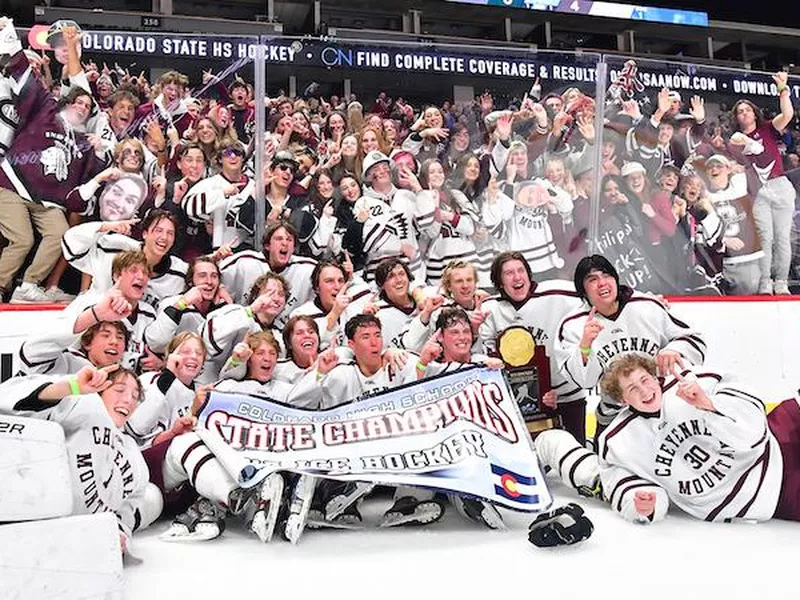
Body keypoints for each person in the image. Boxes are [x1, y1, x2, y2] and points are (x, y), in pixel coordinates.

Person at [596, 354, 800, 524]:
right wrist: (642, 506)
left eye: (645, 380)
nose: (644, 390)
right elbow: (624, 485)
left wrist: (710, 405)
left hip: (775, 438)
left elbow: (754, 428)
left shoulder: (693, 380)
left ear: (653, 376)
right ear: (622, 401)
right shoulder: (618, 442)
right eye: (632, 389)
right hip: (766, 492)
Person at [0, 364, 160, 552]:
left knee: (154, 496)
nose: (128, 400)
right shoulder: (85, 404)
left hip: (71, 542)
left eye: (135, 397)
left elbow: (125, 510)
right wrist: (72, 387)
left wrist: (117, 533)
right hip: (23, 516)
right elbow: (9, 397)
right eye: (119, 390)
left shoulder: (135, 458)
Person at [0, 19, 105, 303]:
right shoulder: (45, 106)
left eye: (87, 107)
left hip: (45, 201)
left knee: (62, 234)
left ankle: (28, 287)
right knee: (22, 241)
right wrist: (8, 33)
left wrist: (99, 152)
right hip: (11, 184)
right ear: (65, 103)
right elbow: (21, 70)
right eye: (77, 103)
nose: (82, 107)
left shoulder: (83, 140)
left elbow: (87, 184)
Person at [555, 254, 706, 439]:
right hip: (614, 418)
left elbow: (695, 341)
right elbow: (584, 381)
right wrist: (585, 345)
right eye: (592, 279)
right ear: (583, 291)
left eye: (606, 275)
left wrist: (674, 349)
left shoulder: (646, 306)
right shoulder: (573, 325)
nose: (602, 283)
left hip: (663, 406)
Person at [478, 251, 586, 442]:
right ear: (499, 282)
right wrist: (473, 329)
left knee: (577, 455)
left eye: (521, 270)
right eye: (509, 273)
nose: (517, 277)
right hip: (523, 403)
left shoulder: (557, 293)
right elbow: (482, 356)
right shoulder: (489, 310)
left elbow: (595, 291)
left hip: (567, 394)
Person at [728, 73, 795, 295]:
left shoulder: (767, 128)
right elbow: (735, 166)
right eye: (740, 111)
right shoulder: (735, 140)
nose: (744, 113)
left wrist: (782, 88)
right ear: (736, 118)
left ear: (754, 113)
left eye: (747, 109)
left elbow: (788, 114)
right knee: (765, 239)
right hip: (757, 192)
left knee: (782, 237)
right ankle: (765, 282)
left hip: (779, 185)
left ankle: (782, 283)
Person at [62, 209, 188, 308]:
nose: (164, 237)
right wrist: (105, 227)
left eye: (170, 233)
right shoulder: (116, 247)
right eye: (158, 230)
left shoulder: (180, 271)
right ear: (145, 234)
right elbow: (71, 244)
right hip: (97, 320)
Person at [61, 250, 158, 373]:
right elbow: (67, 346)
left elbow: (150, 353)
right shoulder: (93, 304)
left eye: (145, 273)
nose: (141, 277)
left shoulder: (149, 312)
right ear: (117, 276)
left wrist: (158, 362)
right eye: (133, 271)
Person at [219, 221, 316, 325]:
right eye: (278, 239)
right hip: (241, 327)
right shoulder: (244, 262)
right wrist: (215, 257)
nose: (284, 243)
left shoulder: (307, 269)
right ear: (267, 245)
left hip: (283, 335)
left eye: (289, 240)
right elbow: (208, 274)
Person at [143, 257, 231, 354]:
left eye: (214, 276)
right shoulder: (171, 303)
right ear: (190, 282)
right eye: (202, 276)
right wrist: (181, 304)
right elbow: (156, 343)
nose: (209, 281)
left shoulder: (222, 309)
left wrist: (230, 304)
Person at [17, 320, 128, 376]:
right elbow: (32, 354)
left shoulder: (125, 379)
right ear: (87, 343)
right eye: (105, 335)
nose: (114, 342)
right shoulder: (68, 362)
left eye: (120, 337)